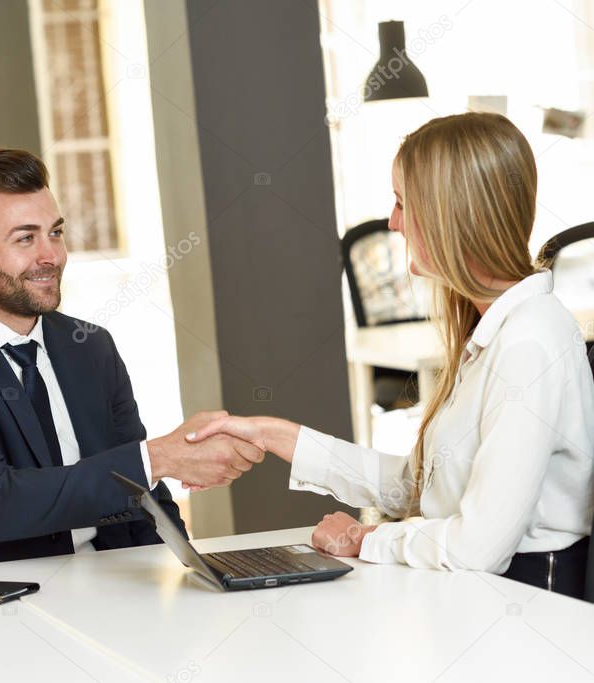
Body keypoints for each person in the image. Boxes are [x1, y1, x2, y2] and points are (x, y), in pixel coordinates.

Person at [187, 113, 594, 597]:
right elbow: (418, 488)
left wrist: (368, 538)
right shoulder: (497, 329)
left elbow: (476, 548)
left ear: (452, 212)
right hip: (485, 595)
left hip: (529, 604)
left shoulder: (529, 342)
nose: (393, 222)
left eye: (403, 203)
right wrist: (278, 435)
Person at [0, 147, 261, 572]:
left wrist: (188, 574)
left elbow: (148, 501)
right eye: (25, 238)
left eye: (55, 233)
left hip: (113, 589)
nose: (51, 256)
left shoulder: (90, 347)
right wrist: (158, 458)